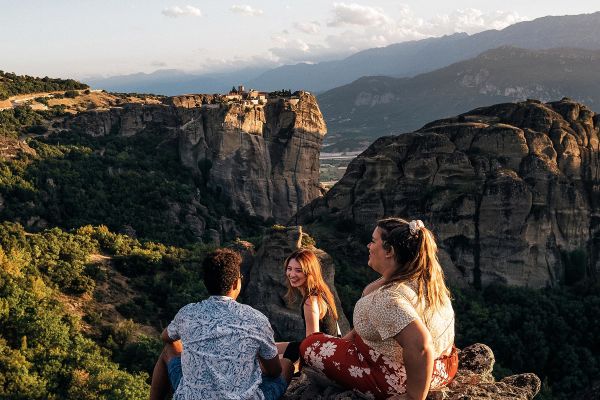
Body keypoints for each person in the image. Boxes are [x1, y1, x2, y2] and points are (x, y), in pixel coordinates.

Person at [300, 218, 458, 400]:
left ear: (389, 251)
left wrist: (413, 397)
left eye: (374, 241)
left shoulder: (389, 299)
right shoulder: (427, 282)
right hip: (443, 368)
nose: (368, 245)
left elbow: (420, 345)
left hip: (400, 378)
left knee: (309, 344)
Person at [149, 248, 293, 400]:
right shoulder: (257, 319)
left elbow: (165, 337)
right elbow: (274, 371)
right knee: (287, 365)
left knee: (169, 348)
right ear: (235, 283)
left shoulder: (187, 313)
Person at [277, 248, 340, 361]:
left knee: (268, 358)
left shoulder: (310, 302)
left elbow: (312, 345)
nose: (292, 274)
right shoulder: (322, 292)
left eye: (298, 270)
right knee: (268, 349)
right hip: (327, 348)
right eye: (289, 269)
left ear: (310, 272)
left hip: (324, 355)